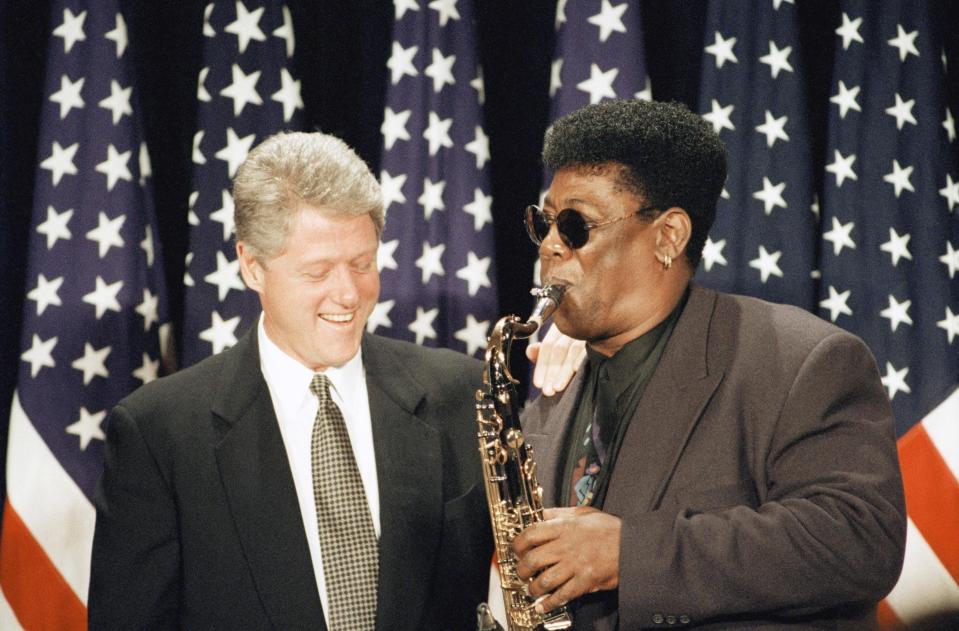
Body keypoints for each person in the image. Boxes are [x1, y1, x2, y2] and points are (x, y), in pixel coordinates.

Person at [510, 100, 906, 630]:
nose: (552, 247)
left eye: (577, 225)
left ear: (669, 236)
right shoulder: (551, 396)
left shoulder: (802, 361)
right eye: (546, 223)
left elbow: (860, 539)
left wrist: (630, 554)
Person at [88, 131, 496, 630]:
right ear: (252, 267)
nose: (348, 294)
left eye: (362, 264)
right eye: (318, 271)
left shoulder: (463, 394)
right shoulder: (160, 435)